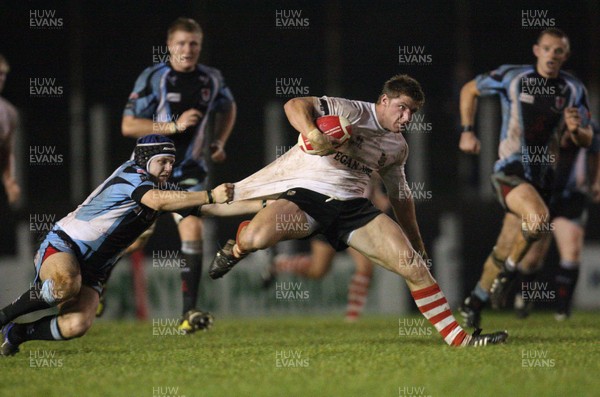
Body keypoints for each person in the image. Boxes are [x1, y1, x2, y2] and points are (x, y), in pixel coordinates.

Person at [207, 74, 508, 346]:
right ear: (384, 101)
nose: (407, 117)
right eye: (402, 108)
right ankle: (238, 247)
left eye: (413, 112)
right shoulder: (350, 110)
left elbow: (401, 195)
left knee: (412, 265)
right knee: (255, 240)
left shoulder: (397, 147)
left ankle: (460, 340)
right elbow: (294, 104)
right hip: (307, 197)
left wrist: (416, 242)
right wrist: (313, 133)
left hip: (352, 207)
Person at [0, 135, 233, 356]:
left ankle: (18, 333)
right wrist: (211, 194)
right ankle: (4, 316)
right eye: (162, 161)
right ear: (145, 160)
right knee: (66, 284)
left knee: (76, 325)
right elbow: (162, 200)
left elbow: (213, 207)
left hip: (95, 270)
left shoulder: (164, 191)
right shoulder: (132, 173)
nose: (169, 168)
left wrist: (261, 204)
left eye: (172, 162)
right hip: (64, 245)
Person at [457, 28, 593, 328]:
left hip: (543, 180)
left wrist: (575, 129)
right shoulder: (513, 77)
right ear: (537, 50)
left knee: (510, 246)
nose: (552, 56)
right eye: (547, 49)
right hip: (510, 171)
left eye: (559, 51)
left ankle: (475, 302)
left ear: (565, 56)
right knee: (538, 218)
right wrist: (467, 131)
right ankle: (508, 274)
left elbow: (586, 138)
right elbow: (470, 89)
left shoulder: (572, 88)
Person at [121, 17, 237, 332]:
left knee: (193, 231)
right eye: (181, 43)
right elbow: (128, 125)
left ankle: (188, 313)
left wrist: (219, 141)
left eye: (194, 43)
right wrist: (171, 126)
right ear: (170, 45)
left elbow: (228, 107)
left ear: (200, 45)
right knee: (131, 241)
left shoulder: (211, 79)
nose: (188, 49)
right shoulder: (154, 77)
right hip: (149, 173)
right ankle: (95, 284)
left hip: (189, 172)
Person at [266, 178, 390, 321]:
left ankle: (352, 318)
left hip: (353, 220)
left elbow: (377, 198)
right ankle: (280, 264)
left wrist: (384, 200)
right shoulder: (342, 161)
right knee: (318, 270)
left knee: (365, 267)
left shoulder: (372, 167)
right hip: (329, 217)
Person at [512, 121, 600, 320]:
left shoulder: (588, 129)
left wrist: (596, 181)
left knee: (572, 250)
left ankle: (562, 309)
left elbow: (595, 152)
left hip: (571, 197)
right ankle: (524, 295)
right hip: (542, 196)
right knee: (532, 257)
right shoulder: (540, 126)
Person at [0, 54, 20, 207]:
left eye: (3, 74)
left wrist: (9, 181)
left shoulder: (9, 113)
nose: (2, 78)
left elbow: (7, 151)